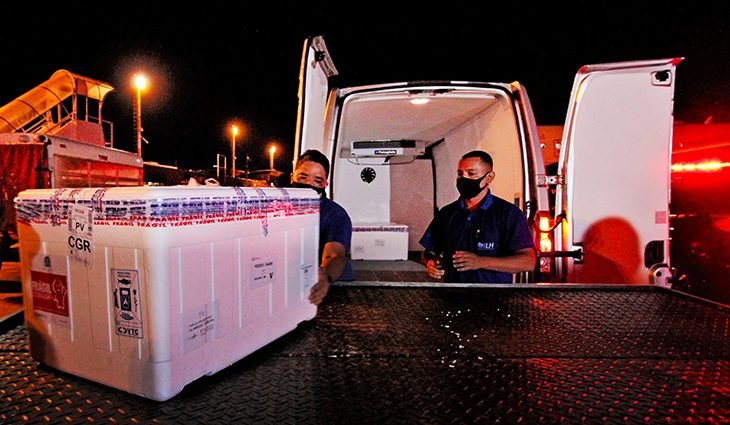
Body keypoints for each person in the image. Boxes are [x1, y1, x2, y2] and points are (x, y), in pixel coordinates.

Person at [419, 150, 536, 283]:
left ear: (489, 177)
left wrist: (482, 262)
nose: (464, 178)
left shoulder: (508, 214)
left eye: (471, 173)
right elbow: (429, 252)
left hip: (494, 295)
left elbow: (528, 262)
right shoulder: (447, 213)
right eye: (460, 174)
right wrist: (430, 263)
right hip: (453, 293)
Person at [290, 149, 353, 304]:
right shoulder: (275, 208)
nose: (308, 184)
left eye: (317, 181)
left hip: (329, 286)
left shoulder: (336, 215)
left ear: (325, 184)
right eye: (303, 177)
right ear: (292, 177)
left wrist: (325, 277)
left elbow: (335, 254)